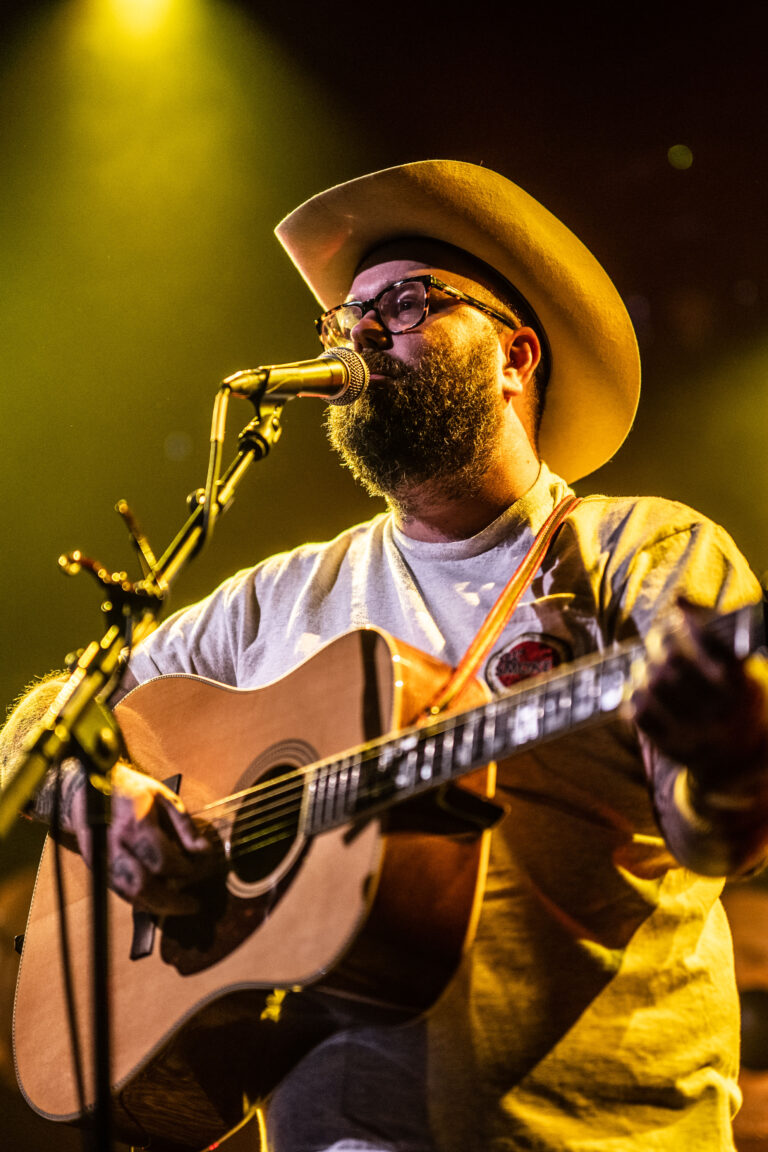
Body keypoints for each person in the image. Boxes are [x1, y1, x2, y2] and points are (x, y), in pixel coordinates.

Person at [3, 159, 768, 1152]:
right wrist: (104, 804)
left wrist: (731, 760)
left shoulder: (644, 552)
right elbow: (47, 721)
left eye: (403, 304)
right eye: (341, 320)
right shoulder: (279, 597)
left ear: (514, 355)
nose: (358, 332)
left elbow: (724, 844)